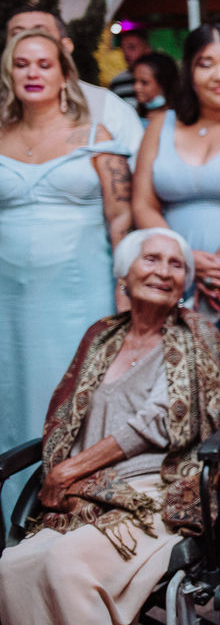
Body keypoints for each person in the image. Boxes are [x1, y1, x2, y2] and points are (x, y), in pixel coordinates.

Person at [0, 228, 220, 625]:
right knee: (12, 567)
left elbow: (157, 421)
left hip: (156, 496)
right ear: (124, 274)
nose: (163, 271)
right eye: (151, 259)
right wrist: (70, 475)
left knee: (65, 564)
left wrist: (68, 471)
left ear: (185, 282)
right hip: (85, 496)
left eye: (176, 264)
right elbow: (67, 418)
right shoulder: (101, 336)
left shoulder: (198, 337)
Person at [0, 29, 133, 521]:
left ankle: (78, 512)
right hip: (7, 300)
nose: (32, 73)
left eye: (43, 64)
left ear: (63, 75)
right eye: (21, 64)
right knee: (11, 403)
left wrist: (125, 294)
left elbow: (121, 218)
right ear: (9, 74)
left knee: (80, 396)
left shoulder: (95, 134)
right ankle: (13, 519)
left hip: (81, 292)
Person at [133, 22, 220, 339]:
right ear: (189, 72)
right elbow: (143, 204)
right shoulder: (161, 124)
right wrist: (184, 258)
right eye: (206, 64)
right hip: (170, 275)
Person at [7, 8, 144, 163]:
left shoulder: (107, 107)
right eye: (17, 35)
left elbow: (137, 171)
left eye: (41, 34)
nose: (29, 42)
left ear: (65, 47)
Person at [109, 29, 152, 108]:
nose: (126, 53)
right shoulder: (117, 81)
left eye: (132, 47)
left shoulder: (157, 77)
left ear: (147, 49)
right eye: (123, 48)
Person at [131, 52, 178, 124]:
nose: (136, 88)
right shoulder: (133, 114)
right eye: (134, 81)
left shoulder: (175, 119)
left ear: (163, 84)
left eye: (144, 82)